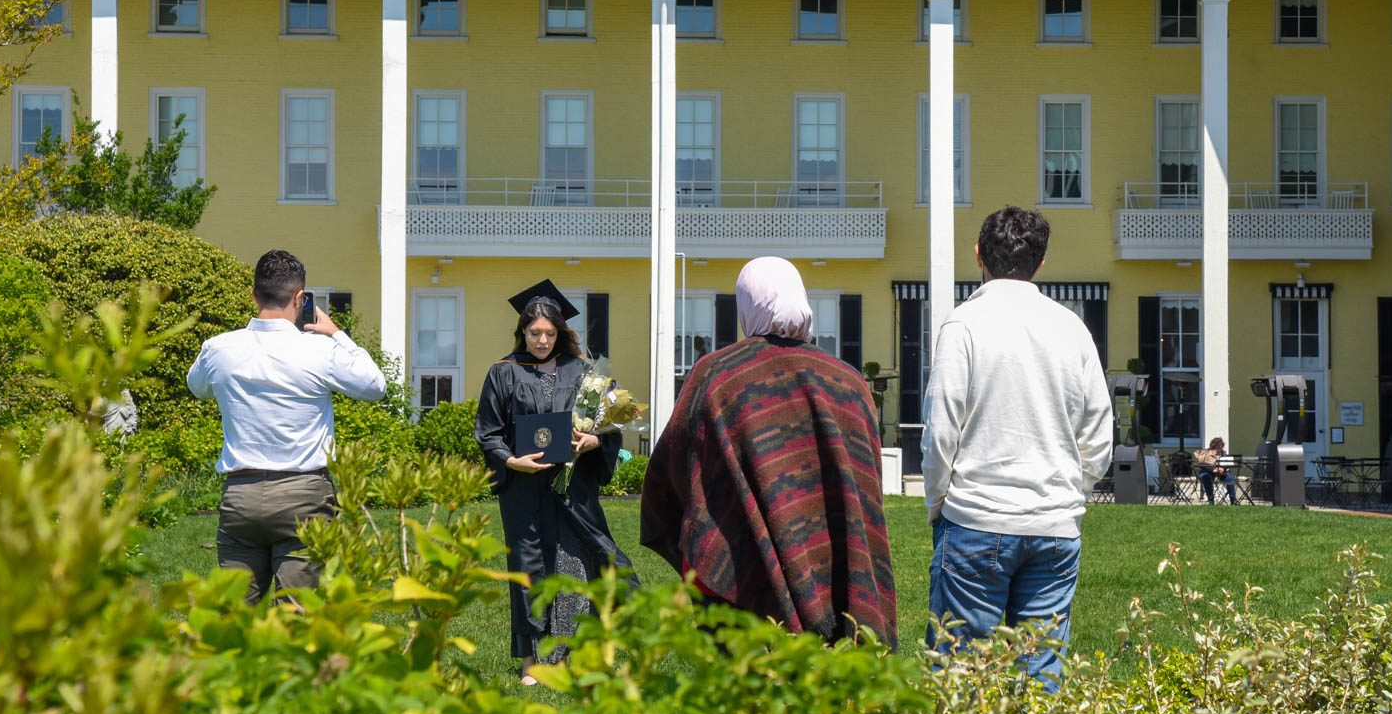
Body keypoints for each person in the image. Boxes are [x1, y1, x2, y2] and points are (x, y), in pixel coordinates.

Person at [640, 257, 897, 648]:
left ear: (746, 305)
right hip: (835, 569)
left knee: (742, 697)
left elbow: (673, 469)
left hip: (739, 573)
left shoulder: (716, 375)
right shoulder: (849, 382)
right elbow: (866, 487)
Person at [922, 206, 1112, 688]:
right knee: (1040, 676)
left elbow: (942, 430)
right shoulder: (1072, 329)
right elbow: (1099, 433)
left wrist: (937, 503)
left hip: (976, 519)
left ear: (979, 255)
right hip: (1054, 524)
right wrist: (1074, 490)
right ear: (1040, 264)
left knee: (962, 675)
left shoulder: (963, 325)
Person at [187, 250, 388, 605]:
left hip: (242, 495)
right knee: (296, 615)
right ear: (300, 298)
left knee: (231, 611)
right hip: (304, 493)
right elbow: (374, 386)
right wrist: (337, 334)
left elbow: (197, 388)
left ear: (254, 295)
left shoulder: (218, 348)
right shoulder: (318, 349)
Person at [474, 280, 636, 685]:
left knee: (571, 564)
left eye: (549, 333)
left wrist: (593, 441)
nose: (542, 341)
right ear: (522, 332)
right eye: (534, 333)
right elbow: (488, 432)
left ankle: (563, 656)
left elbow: (612, 430)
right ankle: (531, 662)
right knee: (529, 567)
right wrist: (513, 461)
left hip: (572, 489)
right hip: (523, 488)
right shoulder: (503, 372)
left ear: (560, 332)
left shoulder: (584, 372)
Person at [1195, 437, 1237, 505]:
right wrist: (1213, 469)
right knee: (1205, 477)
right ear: (1213, 447)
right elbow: (1201, 463)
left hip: (1220, 474)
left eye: (1221, 448)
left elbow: (1226, 463)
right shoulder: (1205, 453)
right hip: (1207, 472)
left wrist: (1223, 468)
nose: (1220, 450)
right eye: (1218, 448)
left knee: (1230, 478)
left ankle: (1233, 500)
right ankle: (1210, 500)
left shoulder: (1223, 453)